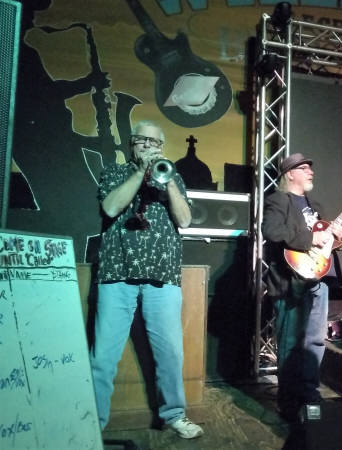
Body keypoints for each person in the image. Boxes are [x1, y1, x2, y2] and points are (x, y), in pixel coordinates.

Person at [90, 120, 203, 439]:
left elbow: (185, 220)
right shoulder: (114, 172)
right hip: (117, 273)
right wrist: (140, 172)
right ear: (131, 143)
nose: (148, 146)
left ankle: (175, 415)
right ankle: (92, 422)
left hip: (162, 275)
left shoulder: (173, 175)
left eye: (154, 142)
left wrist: (167, 181)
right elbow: (110, 208)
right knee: (102, 356)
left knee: (170, 354)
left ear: (162, 147)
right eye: (142, 140)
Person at [262, 153, 342, 421]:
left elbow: (324, 242)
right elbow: (272, 231)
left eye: (310, 168)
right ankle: (288, 403)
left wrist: (337, 237)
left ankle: (310, 396)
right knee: (291, 343)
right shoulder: (278, 200)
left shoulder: (314, 205)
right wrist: (311, 238)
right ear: (290, 173)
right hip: (292, 281)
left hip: (319, 279)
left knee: (315, 341)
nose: (311, 172)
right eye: (305, 168)